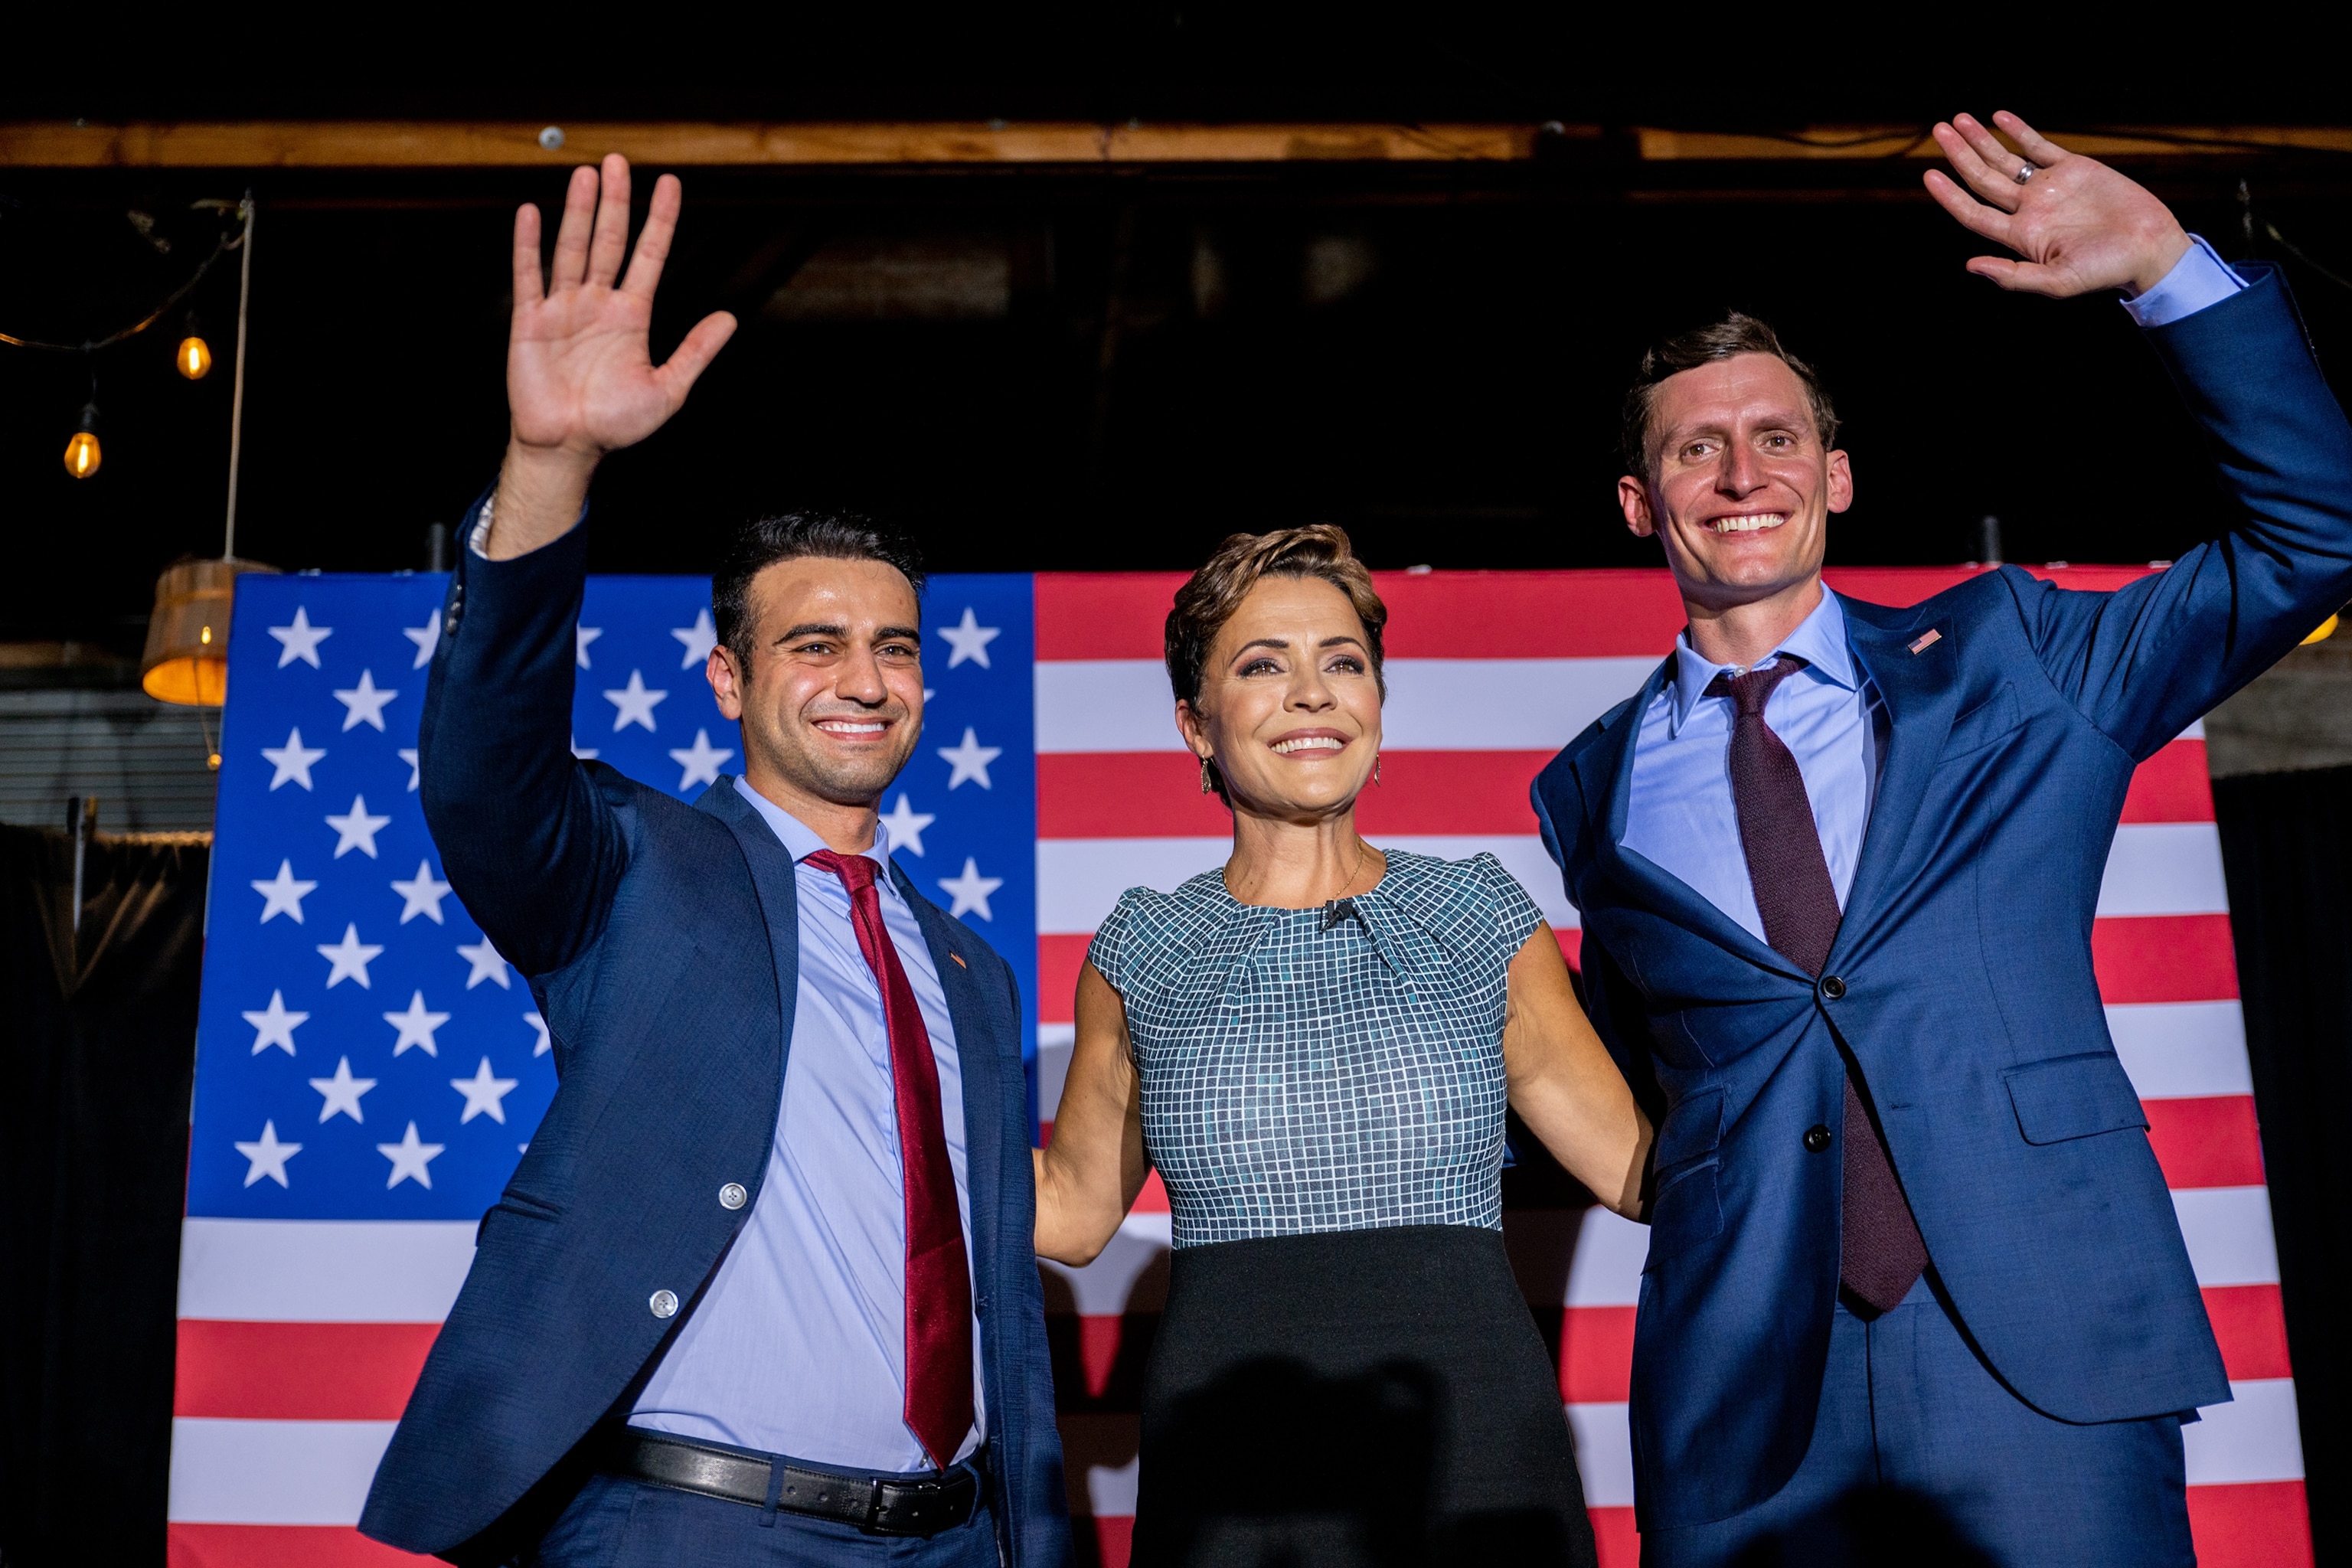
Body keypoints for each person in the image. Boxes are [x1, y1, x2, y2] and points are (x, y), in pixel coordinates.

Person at [1532, 111, 2352, 1566]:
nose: (1742, 473)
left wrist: (2168, 266)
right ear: (1639, 501)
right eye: (1698, 449)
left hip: (2039, 1346)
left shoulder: (2015, 652)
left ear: (1836, 478)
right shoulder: (1588, 788)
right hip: (1743, 1399)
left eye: (1777, 438)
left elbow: (2313, 536)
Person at [357, 155, 1071, 1567]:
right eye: (814, 645)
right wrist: (553, 462)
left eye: (895, 647)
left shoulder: (973, 972)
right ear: (727, 681)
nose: (865, 678)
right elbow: (483, 768)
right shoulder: (635, 862)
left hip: (951, 1540)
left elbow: (999, 1303)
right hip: (686, 1527)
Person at [1038, 526, 1653, 1567]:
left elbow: (1642, 1172)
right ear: (1196, 725)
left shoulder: (1478, 915)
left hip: (1475, 1451)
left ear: (1377, 702)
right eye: (1263, 665)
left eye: (1343, 662)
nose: (1313, 693)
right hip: (1230, 1470)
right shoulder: (1143, 946)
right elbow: (1076, 1211)